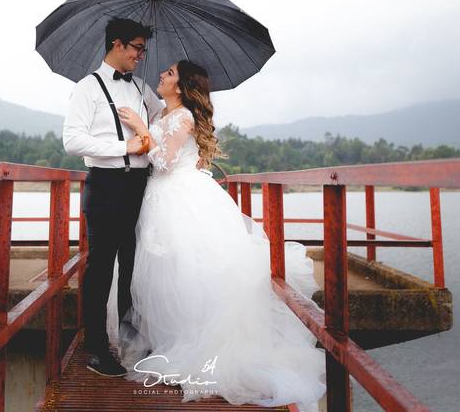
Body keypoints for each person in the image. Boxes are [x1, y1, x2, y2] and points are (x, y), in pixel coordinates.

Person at [113, 60, 326, 411]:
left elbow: (164, 162)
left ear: (180, 87)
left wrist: (140, 129)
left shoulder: (182, 118)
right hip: (161, 199)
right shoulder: (165, 113)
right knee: (164, 272)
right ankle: (167, 335)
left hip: (180, 198)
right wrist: (144, 125)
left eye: (168, 73)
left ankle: (194, 342)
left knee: (188, 268)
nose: (162, 75)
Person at [62, 17, 165, 377]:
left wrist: (148, 130)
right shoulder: (86, 88)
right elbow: (72, 141)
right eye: (137, 48)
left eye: (144, 49)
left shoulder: (141, 88)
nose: (142, 55)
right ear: (117, 45)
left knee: (135, 267)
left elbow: (166, 118)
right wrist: (125, 145)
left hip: (141, 185)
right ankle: (95, 350)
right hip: (106, 184)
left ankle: (130, 342)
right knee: (102, 267)